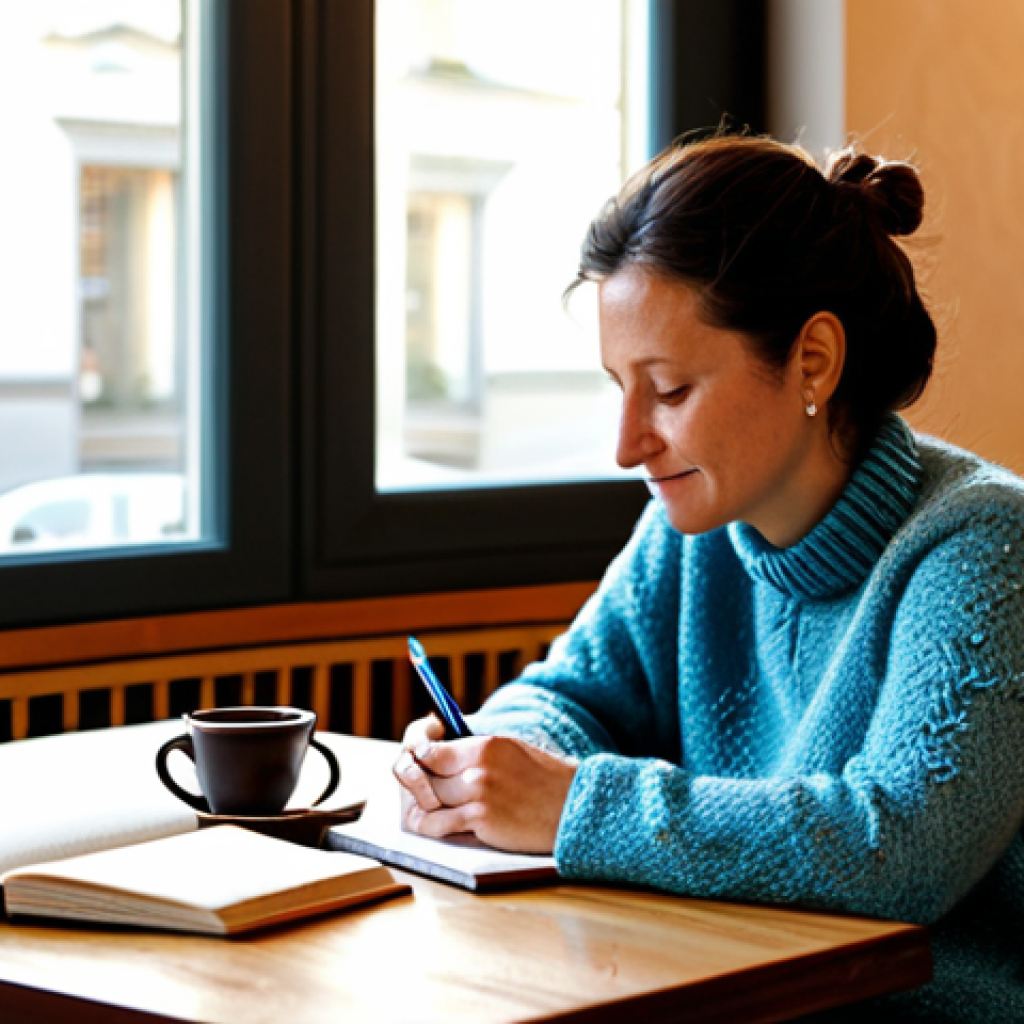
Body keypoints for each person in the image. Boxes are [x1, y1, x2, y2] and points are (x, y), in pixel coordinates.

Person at [394, 134, 1024, 1022]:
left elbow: (900, 847)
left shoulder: (984, 542)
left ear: (812, 361)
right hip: (710, 990)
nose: (627, 445)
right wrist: (486, 764)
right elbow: (564, 699)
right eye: (618, 386)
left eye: (670, 390)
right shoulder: (695, 527)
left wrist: (572, 805)